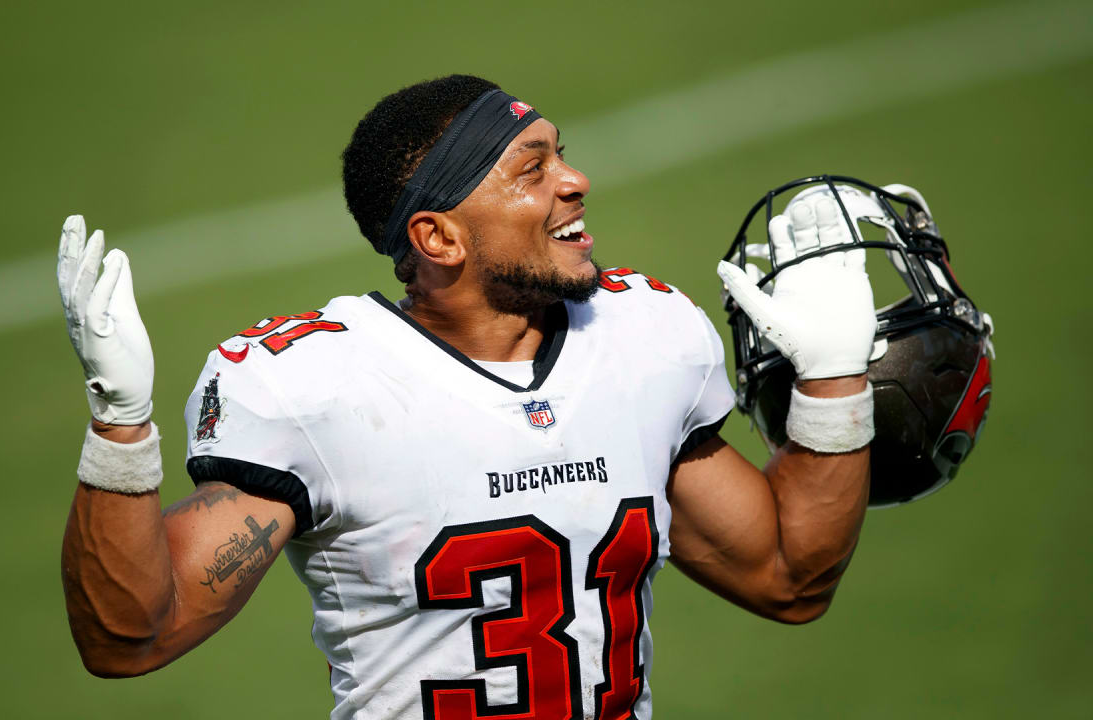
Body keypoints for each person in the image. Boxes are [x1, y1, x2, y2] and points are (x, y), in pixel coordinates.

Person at [57, 75, 876, 719]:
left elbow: (786, 578)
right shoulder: (317, 390)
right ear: (438, 237)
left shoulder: (643, 339)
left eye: (561, 153)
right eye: (534, 170)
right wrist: (119, 426)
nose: (576, 180)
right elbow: (129, 640)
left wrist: (834, 384)